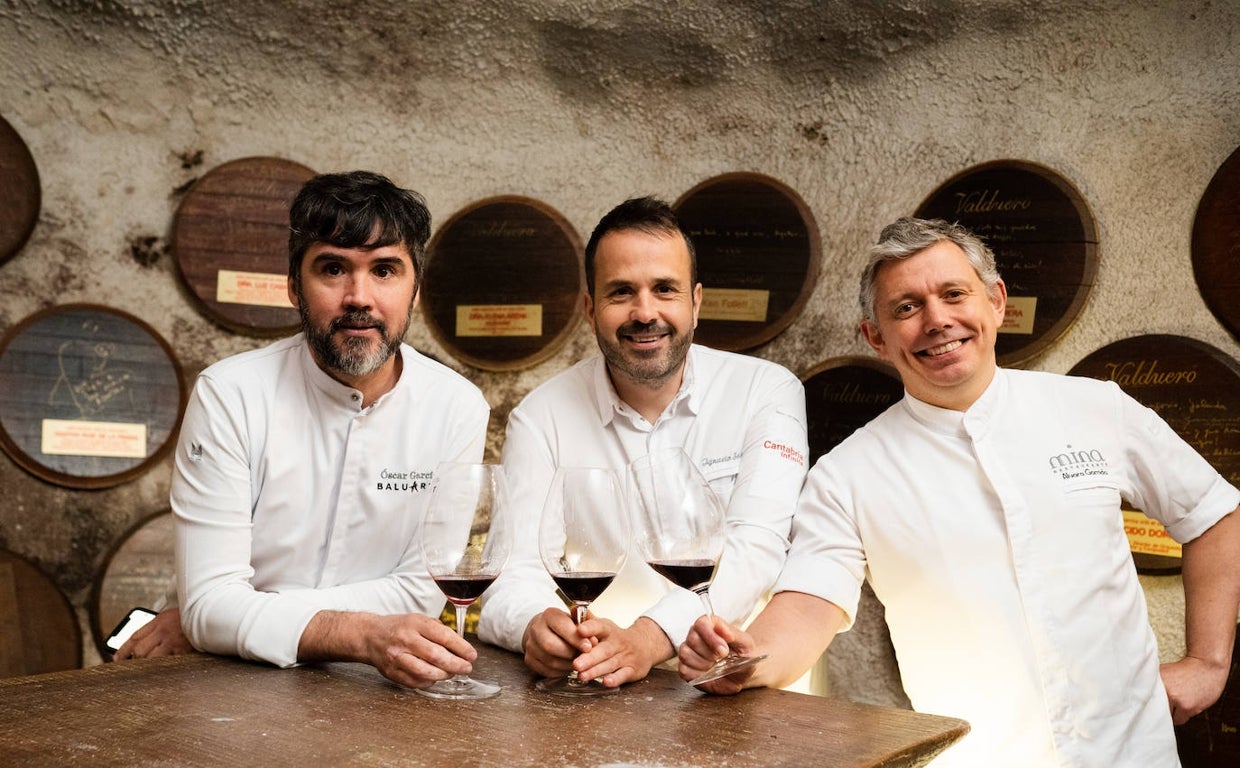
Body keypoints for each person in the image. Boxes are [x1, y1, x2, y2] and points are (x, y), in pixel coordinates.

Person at [680, 217, 1240, 766]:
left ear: (996, 301)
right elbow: (809, 605)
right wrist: (751, 661)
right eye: (906, 308)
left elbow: (1214, 514)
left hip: (1134, 754)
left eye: (953, 294)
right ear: (875, 336)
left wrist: (1209, 661)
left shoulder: (1096, 407)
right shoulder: (847, 474)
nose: (937, 320)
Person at [117, 171, 491, 690]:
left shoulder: (457, 407)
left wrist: (233, 616)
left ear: (415, 291)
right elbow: (210, 607)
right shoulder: (230, 395)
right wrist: (357, 633)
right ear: (294, 287)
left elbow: (420, 595)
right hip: (225, 683)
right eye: (333, 268)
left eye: (385, 270)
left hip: (372, 691)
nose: (359, 297)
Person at [477, 197, 809, 688]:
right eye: (620, 292)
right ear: (590, 309)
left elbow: (755, 545)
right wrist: (534, 623)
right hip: (601, 692)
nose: (644, 312)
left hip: (738, 688)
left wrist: (647, 639)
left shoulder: (767, 391)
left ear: (696, 303)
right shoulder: (541, 416)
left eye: (665, 289)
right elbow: (512, 572)